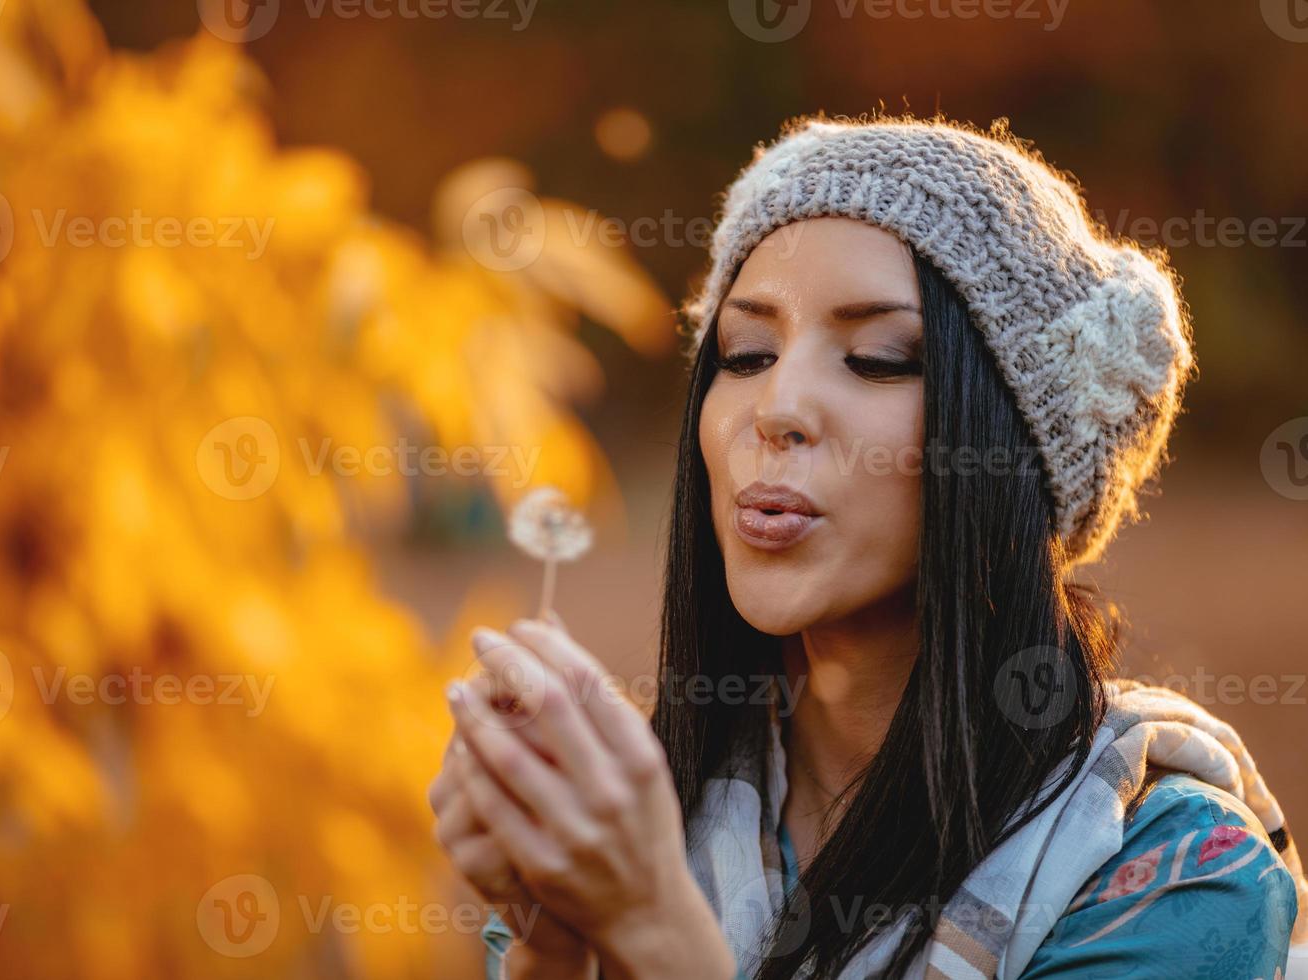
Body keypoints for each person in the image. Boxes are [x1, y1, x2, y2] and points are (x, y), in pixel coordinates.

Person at [427, 114, 1306, 980]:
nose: (776, 409)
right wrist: (554, 947)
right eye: (745, 353)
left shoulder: (1180, 883)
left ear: (1007, 449)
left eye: (879, 359)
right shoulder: (630, 828)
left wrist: (652, 926)